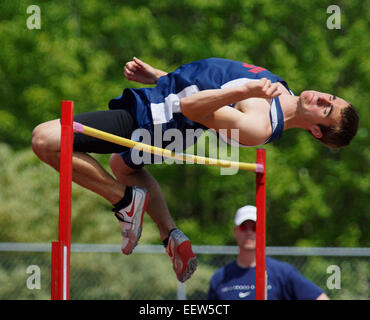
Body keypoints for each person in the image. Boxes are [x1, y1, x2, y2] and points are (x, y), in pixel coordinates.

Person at [31, 57, 359, 283]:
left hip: (158, 119)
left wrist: (245, 90)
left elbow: (191, 107)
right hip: (161, 102)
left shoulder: (259, 126)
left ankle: (124, 202)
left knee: (46, 140)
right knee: (122, 165)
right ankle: (170, 232)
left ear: (316, 130)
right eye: (329, 96)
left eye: (325, 108)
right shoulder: (281, 91)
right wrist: (163, 77)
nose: (319, 97)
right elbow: (210, 80)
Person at [207, 205, 330, 300]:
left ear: (262, 231)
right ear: (235, 231)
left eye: (255, 227)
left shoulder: (282, 273)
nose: (249, 232)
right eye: (244, 227)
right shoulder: (220, 277)